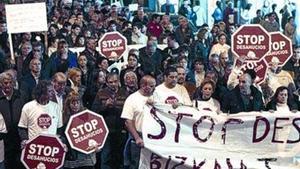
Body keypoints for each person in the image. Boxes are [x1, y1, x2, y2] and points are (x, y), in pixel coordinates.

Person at [91, 72, 127, 169]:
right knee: (106, 157)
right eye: (110, 82)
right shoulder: (101, 93)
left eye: (115, 81)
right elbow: (94, 112)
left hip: (121, 130)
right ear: (106, 83)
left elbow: (128, 112)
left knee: (120, 158)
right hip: (105, 130)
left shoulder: (125, 93)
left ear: (119, 81)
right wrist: (104, 106)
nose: (113, 84)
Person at [121, 75, 156, 169]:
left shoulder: (156, 97)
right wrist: (137, 138)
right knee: (136, 165)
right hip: (139, 137)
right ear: (143, 85)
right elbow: (128, 121)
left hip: (155, 137)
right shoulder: (132, 99)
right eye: (151, 86)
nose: (152, 89)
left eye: (153, 86)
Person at [62, 92, 97, 169]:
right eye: (73, 103)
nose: (75, 105)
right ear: (68, 104)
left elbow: (97, 133)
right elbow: (62, 136)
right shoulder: (64, 118)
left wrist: (97, 144)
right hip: (71, 158)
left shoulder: (88, 115)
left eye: (77, 102)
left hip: (87, 158)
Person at [0, 71, 25, 169]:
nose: (8, 85)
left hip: (19, 137)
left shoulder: (21, 95)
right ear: (0, 84)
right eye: (5, 83)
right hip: (3, 140)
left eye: (11, 82)